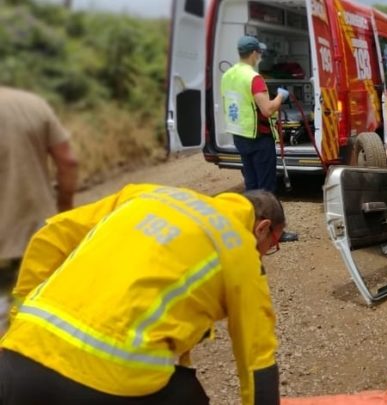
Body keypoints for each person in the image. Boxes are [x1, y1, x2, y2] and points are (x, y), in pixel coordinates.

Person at [0, 184, 286, 405]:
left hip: (17, 359)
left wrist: (20, 314)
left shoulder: (144, 194)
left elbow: (50, 234)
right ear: (262, 229)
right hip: (106, 383)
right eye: (270, 246)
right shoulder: (239, 249)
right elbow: (257, 361)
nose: (264, 254)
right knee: (187, 394)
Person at [0, 86, 78, 294]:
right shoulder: (32, 104)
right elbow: (68, 162)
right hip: (41, 235)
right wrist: (64, 211)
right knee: (50, 304)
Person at [222, 36, 298, 242]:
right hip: (258, 136)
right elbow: (268, 109)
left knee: (251, 185)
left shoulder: (228, 75)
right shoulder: (253, 78)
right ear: (254, 53)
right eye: (260, 53)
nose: (261, 56)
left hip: (240, 135)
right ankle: (274, 233)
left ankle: (251, 228)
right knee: (266, 189)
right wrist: (281, 96)